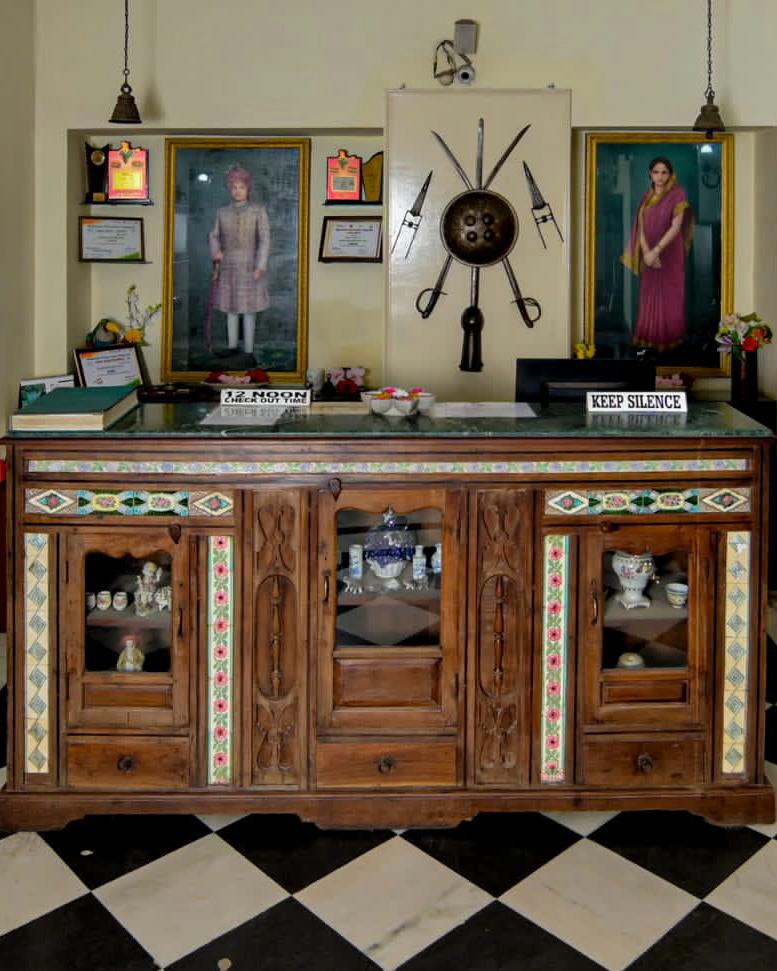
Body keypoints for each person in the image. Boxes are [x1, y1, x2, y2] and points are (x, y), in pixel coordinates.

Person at [621, 157, 694, 352]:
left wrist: (656, 251)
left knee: (670, 298)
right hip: (649, 256)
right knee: (649, 296)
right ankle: (649, 342)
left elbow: (676, 227)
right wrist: (646, 253)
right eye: (656, 172)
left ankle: (671, 345)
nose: (660, 177)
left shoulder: (677, 194)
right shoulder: (647, 197)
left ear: (670, 175)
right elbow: (640, 226)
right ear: (650, 174)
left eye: (664, 172)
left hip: (669, 254)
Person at [208, 164, 271, 356]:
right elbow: (214, 235)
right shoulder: (222, 212)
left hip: (250, 267)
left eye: (241, 187)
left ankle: (249, 351)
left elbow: (265, 240)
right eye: (234, 187)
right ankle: (232, 347)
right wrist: (216, 251)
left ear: (248, 188)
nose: (237, 191)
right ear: (230, 189)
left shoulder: (258, 210)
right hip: (228, 268)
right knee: (231, 309)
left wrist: (260, 266)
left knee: (249, 310)